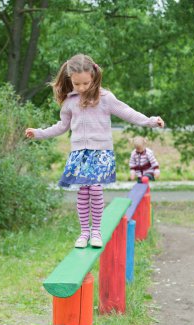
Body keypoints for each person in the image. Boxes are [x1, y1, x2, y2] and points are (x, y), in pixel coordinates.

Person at [25, 54, 164, 249]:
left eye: (85, 83)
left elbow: (127, 112)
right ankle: (84, 232)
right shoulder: (69, 102)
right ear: (70, 80)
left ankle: (96, 230)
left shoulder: (105, 98)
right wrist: (38, 133)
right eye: (77, 84)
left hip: (101, 153)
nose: (81, 88)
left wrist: (150, 121)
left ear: (93, 76)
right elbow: (61, 127)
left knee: (96, 189)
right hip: (80, 154)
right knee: (83, 192)